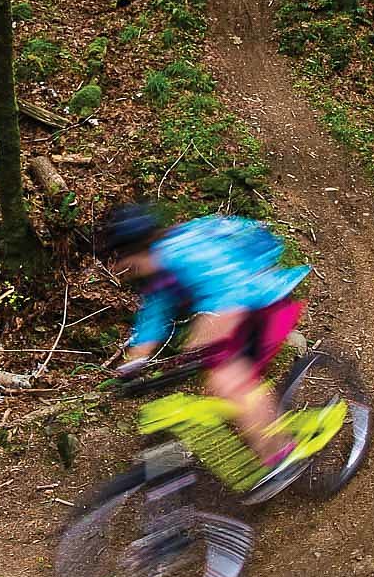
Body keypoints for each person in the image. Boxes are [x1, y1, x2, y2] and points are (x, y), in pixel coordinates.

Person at [101, 203, 309, 484]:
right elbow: (154, 316)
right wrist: (134, 361)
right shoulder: (159, 273)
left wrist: (203, 338)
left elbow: (228, 291)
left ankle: (283, 454)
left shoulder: (186, 252)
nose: (122, 268)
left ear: (135, 250)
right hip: (238, 313)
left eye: (122, 259)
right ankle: (262, 428)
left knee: (232, 382)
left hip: (265, 303)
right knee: (221, 381)